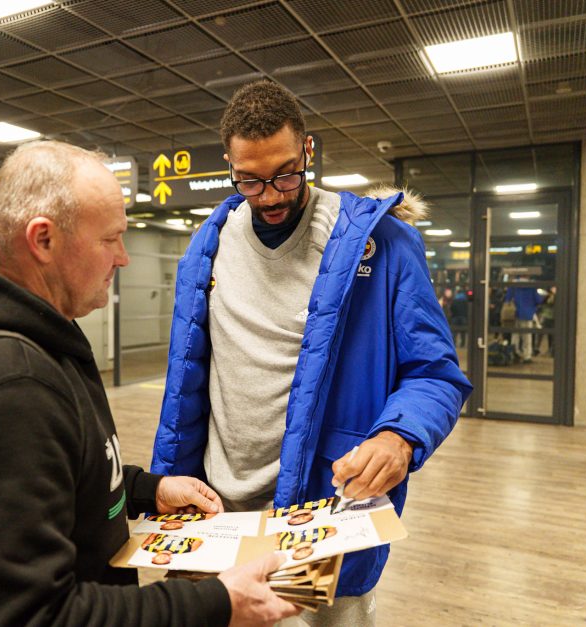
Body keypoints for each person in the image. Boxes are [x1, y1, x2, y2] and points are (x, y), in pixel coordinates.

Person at [0, 140, 299, 626]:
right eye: (110, 239)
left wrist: (145, 491)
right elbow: (29, 616)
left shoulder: (37, 341)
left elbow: (46, 483)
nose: (123, 258)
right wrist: (216, 603)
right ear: (43, 241)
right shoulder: (4, 388)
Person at [151, 80, 472, 626]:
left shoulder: (382, 243)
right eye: (249, 179)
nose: (270, 195)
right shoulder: (209, 241)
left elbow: (435, 373)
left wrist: (400, 435)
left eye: (285, 174)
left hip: (322, 515)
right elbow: (188, 382)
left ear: (308, 150)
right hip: (216, 514)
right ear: (228, 163)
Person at [503, 280, 543, 363]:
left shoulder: (513, 286)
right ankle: (526, 356)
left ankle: (514, 353)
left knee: (515, 335)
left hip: (514, 314)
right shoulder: (531, 286)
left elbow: (507, 299)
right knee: (527, 336)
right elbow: (538, 300)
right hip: (527, 314)